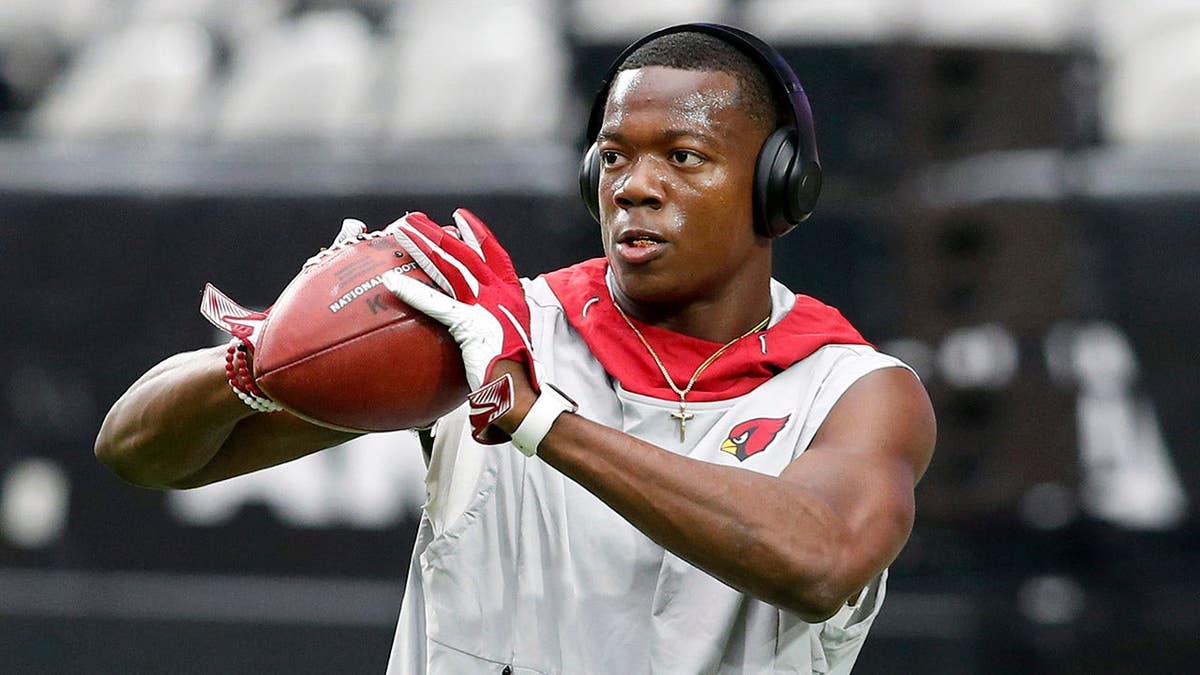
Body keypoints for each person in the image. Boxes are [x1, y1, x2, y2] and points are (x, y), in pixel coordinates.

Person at [96, 23, 935, 674]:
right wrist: (263, 358)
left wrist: (539, 421)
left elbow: (819, 559)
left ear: (777, 186)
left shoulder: (855, 387)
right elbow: (138, 452)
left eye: (683, 157)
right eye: (614, 156)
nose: (635, 185)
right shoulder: (489, 330)